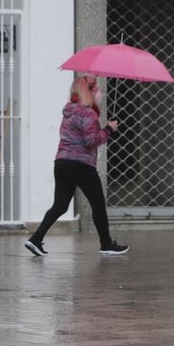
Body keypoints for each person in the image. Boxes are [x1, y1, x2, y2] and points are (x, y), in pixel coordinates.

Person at [25, 74, 129, 257]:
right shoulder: (87, 113)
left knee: (60, 205)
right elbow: (91, 141)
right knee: (98, 204)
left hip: (62, 163)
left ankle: (35, 239)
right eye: (95, 89)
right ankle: (106, 244)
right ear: (88, 92)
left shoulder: (69, 111)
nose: (99, 92)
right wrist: (109, 129)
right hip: (81, 165)